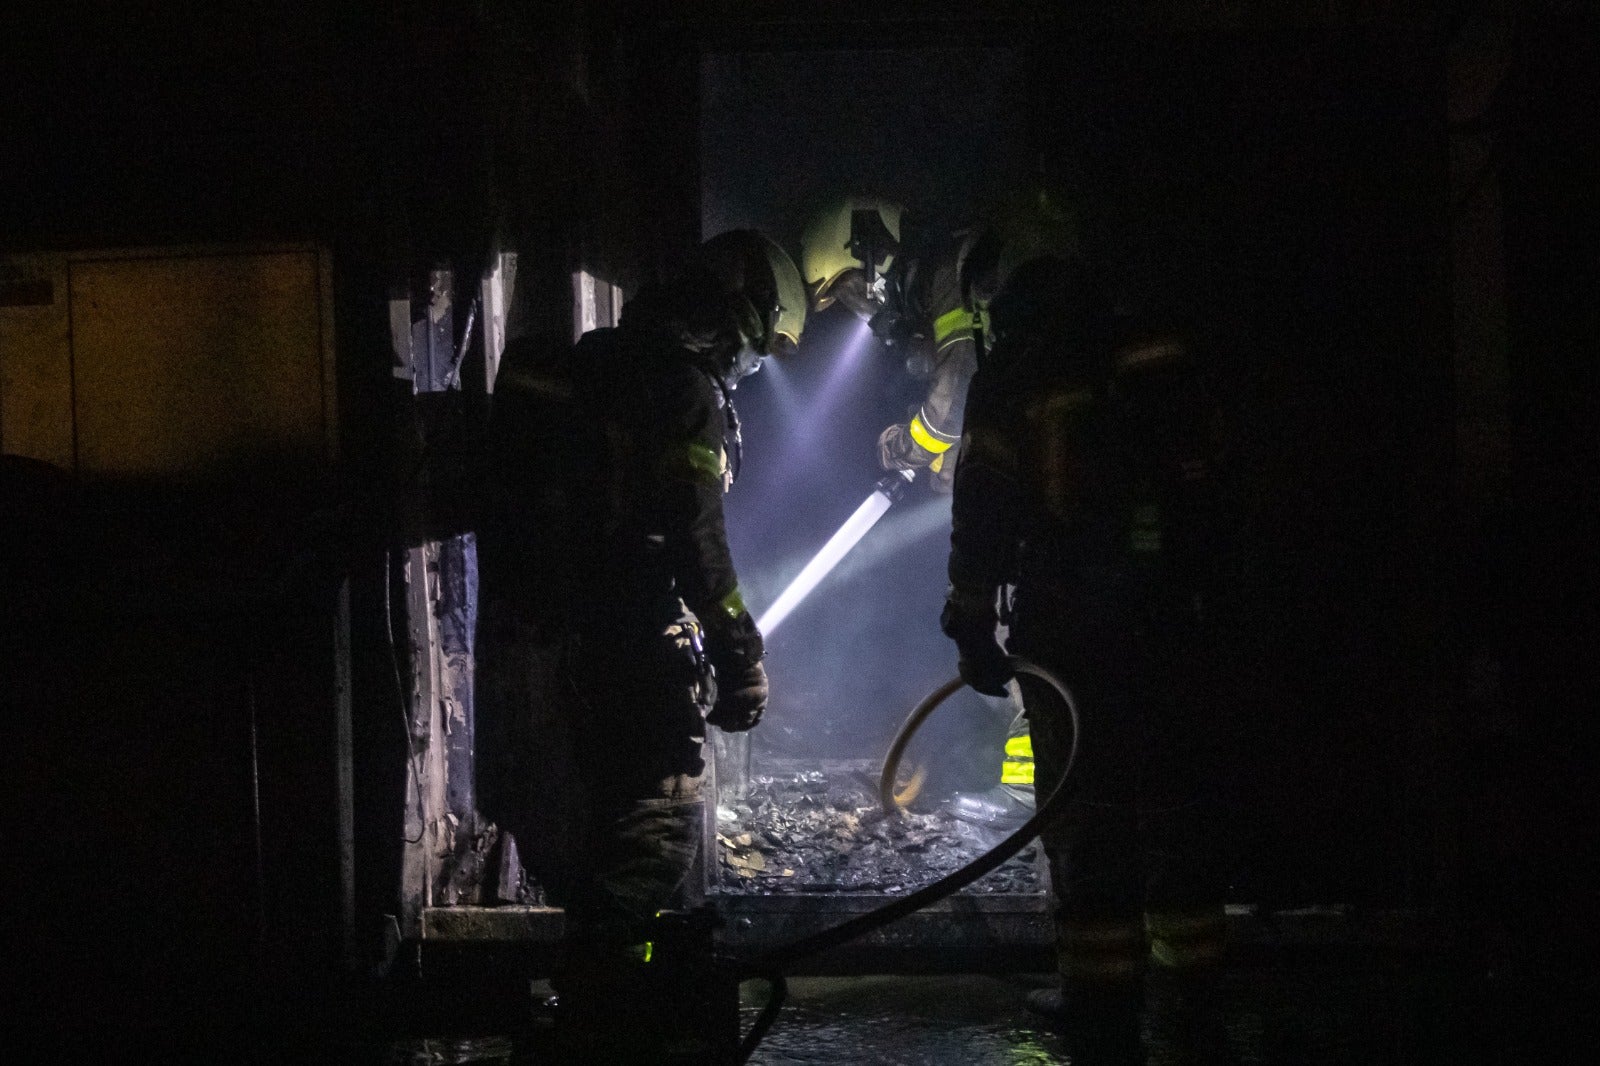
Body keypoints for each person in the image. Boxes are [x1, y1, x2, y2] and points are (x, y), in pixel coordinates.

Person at [475, 229, 805, 1058]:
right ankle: (595, 1030)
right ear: (730, 319)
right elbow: (694, 537)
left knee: (605, 834)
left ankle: (594, 1010)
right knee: (657, 827)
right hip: (635, 640)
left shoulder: (594, 368)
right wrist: (741, 653)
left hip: (561, 641)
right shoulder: (680, 391)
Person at [939, 247, 1231, 1063]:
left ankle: (1100, 996)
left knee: (1084, 812)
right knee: (1175, 803)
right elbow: (1210, 482)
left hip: (1067, 622)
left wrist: (970, 621)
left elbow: (985, 506)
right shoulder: (1154, 351)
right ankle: (1194, 995)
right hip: (1172, 611)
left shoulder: (1015, 372)